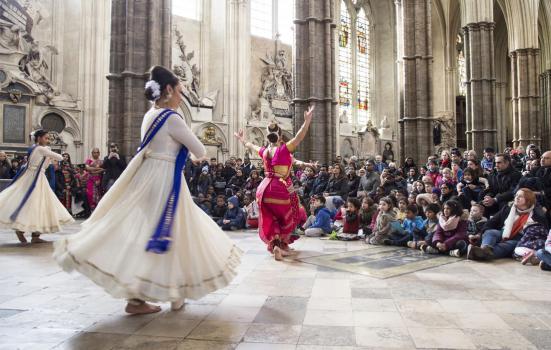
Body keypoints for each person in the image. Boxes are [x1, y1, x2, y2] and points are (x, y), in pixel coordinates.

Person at [53, 66, 241, 315]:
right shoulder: (172, 118)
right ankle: (157, 295)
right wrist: (196, 156)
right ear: (169, 89)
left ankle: (154, 295)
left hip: (146, 177)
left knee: (159, 233)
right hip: (164, 179)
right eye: (180, 91)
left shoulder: (149, 115)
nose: (180, 97)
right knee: (172, 230)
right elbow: (199, 150)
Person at [235, 105, 315, 260]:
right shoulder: (284, 149)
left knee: (270, 218)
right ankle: (283, 244)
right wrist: (307, 121)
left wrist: (241, 139)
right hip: (280, 187)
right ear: (280, 137)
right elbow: (299, 137)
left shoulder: (264, 151)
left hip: (263, 188)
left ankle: (277, 245)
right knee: (291, 213)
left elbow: (250, 145)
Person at [0, 130, 74, 244]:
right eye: (46, 138)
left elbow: (45, 165)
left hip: (35, 177)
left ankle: (34, 234)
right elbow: (60, 157)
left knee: (38, 205)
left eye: (48, 138)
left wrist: (48, 155)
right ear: (38, 138)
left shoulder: (34, 148)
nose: (48, 140)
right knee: (35, 204)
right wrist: (49, 152)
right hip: (35, 178)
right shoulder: (40, 149)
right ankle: (22, 230)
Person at [467, 188, 548, 261]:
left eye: (520, 196)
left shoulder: (537, 214)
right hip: (504, 232)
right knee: (490, 232)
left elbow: (542, 233)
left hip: (521, 238)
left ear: (528, 199)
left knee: (506, 245)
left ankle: (480, 253)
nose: (517, 197)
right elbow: (491, 222)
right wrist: (480, 235)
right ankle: (485, 249)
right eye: (516, 195)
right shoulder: (508, 208)